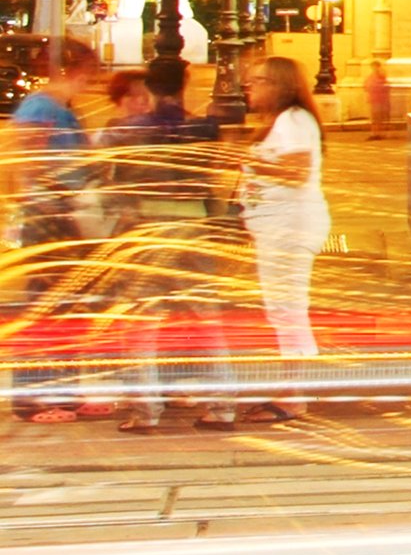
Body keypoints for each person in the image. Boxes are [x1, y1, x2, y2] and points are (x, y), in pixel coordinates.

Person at [98, 62, 227, 430]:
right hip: (195, 226)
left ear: (150, 88)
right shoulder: (205, 128)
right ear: (185, 85)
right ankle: (222, 407)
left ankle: (145, 411)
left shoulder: (123, 130)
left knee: (141, 323)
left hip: (148, 228)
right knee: (207, 319)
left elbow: (110, 183)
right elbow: (212, 177)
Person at [11, 37, 101, 423]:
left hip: (65, 216)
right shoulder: (40, 107)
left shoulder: (64, 109)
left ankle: (65, 390)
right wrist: (68, 192)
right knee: (47, 306)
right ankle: (35, 396)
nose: (91, 81)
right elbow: (29, 164)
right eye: (88, 72)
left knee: (66, 306)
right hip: (47, 217)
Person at [236, 53, 328, 398]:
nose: (249, 87)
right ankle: (292, 390)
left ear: (279, 85)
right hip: (280, 226)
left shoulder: (292, 119)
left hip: (290, 226)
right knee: (283, 309)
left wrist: (247, 160)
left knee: (287, 309)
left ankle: (294, 395)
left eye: (258, 80)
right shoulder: (285, 121)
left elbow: (296, 172)